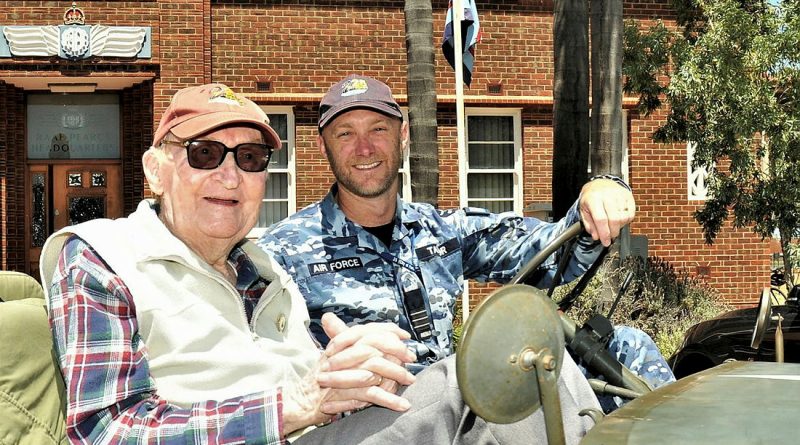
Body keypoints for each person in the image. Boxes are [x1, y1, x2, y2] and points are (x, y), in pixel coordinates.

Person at [41, 83, 601, 444]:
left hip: (323, 430)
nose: (230, 175)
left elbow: (542, 248)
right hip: (286, 431)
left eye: (252, 158)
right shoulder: (100, 256)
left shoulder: (260, 271)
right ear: (156, 170)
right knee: (472, 384)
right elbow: (104, 428)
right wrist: (296, 405)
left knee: (540, 369)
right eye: (205, 154)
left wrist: (344, 370)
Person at [258, 74, 675, 392]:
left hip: (458, 399)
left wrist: (599, 192)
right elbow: (257, 363)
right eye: (345, 134)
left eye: (378, 130)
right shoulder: (282, 252)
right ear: (322, 146)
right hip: (375, 416)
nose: (364, 148)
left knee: (626, 347)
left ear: (402, 136)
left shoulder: (439, 230)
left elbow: (549, 255)